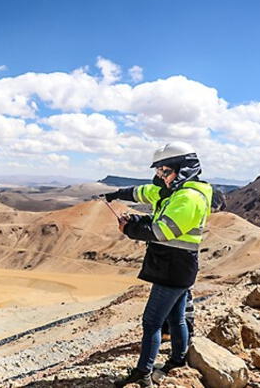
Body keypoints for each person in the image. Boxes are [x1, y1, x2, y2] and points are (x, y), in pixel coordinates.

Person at [104, 142, 213, 387]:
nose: (159, 176)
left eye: (164, 171)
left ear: (182, 169)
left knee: (152, 322)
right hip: (176, 267)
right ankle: (177, 361)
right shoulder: (173, 190)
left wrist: (130, 228)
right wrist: (119, 194)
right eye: (158, 171)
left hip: (174, 269)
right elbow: (144, 192)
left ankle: (143, 374)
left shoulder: (188, 196)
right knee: (176, 318)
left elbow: (162, 231)